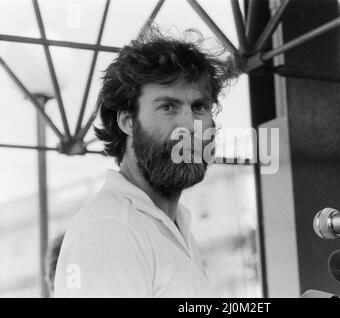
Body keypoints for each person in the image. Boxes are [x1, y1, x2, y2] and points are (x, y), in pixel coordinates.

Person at [54, 27, 237, 297]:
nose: (189, 125)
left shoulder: (174, 226)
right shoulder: (109, 230)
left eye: (199, 107)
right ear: (127, 121)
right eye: (168, 107)